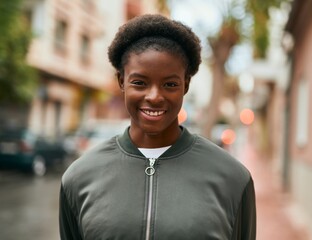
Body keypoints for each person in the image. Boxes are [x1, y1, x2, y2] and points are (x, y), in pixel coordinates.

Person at [59, 14, 256, 240]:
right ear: (121, 81)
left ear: (186, 85)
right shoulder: (78, 177)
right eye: (139, 83)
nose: (154, 97)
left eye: (170, 84)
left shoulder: (233, 178)